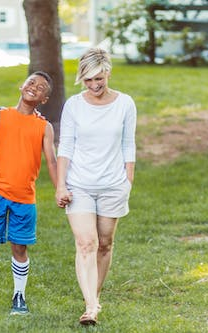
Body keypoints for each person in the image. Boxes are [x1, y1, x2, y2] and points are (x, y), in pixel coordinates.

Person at [55, 47, 137, 326]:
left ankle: (94, 297)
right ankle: (90, 307)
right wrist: (60, 185)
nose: (94, 85)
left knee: (105, 243)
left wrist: (128, 181)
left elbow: (128, 144)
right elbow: (65, 146)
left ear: (108, 73)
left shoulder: (125, 103)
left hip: (113, 184)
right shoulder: (74, 105)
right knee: (86, 242)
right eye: (88, 80)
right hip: (79, 184)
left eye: (98, 79)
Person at [0, 71, 58, 315]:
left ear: (44, 100)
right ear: (22, 85)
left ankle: (19, 295)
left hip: (25, 198)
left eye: (41, 87)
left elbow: (51, 161)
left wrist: (59, 188)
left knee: (19, 248)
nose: (34, 87)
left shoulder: (44, 127)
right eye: (31, 82)